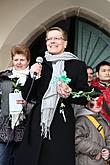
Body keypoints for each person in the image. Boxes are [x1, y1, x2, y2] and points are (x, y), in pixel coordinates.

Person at [15, 26, 90, 165]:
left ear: (65, 43)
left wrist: (69, 93)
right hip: (38, 119)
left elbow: (85, 96)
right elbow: (26, 95)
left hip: (62, 119)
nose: (52, 41)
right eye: (49, 39)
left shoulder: (77, 65)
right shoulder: (40, 64)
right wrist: (32, 76)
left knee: (57, 157)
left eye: (56, 38)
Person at [0, 44, 31, 165]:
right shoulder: (3, 77)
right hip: (4, 130)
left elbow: (38, 102)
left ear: (28, 61)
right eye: (16, 59)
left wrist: (27, 105)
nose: (18, 62)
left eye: (22, 59)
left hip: (25, 130)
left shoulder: (33, 79)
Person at [75, 92, 110, 165]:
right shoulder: (82, 120)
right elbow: (77, 141)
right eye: (93, 100)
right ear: (86, 103)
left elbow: (108, 137)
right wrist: (98, 150)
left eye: (100, 100)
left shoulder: (103, 120)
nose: (97, 103)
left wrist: (108, 150)